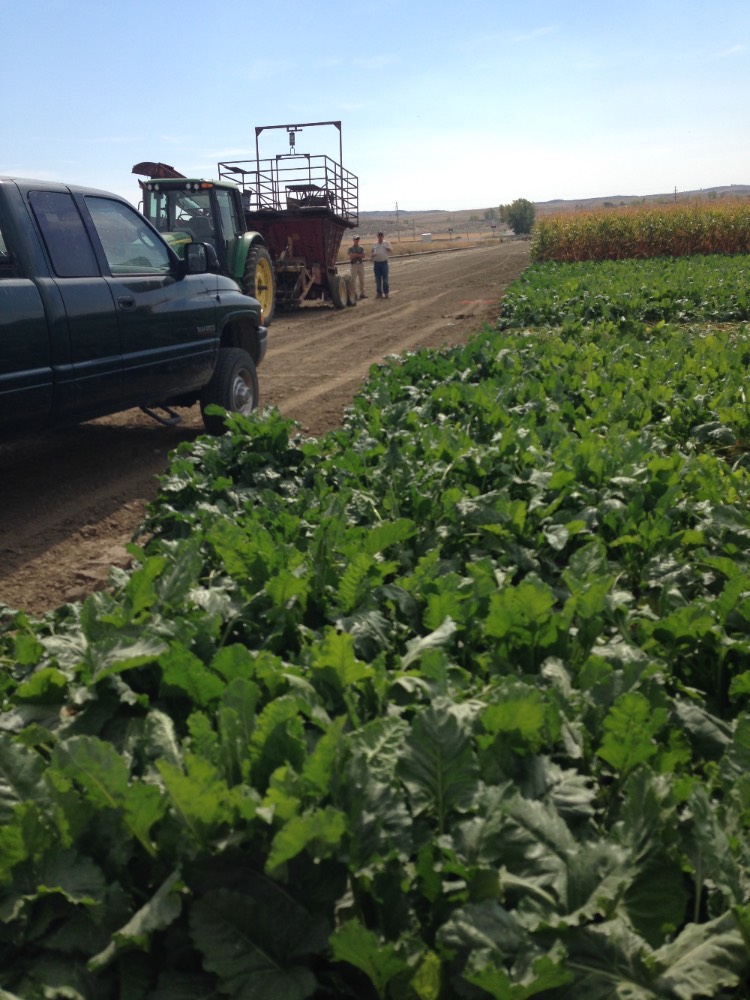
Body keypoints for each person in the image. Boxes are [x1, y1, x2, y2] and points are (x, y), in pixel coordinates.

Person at [371, 231, 393, 299]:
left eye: (381, 235)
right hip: (376, 263)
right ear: (377, 236)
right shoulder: (374, 244)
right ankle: (379, 293)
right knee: (377, 279)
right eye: (379, 235)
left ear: (383, 236)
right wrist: (372, 255)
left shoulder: (386, 243)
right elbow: (372, 253)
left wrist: (388, 249)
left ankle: (386, 293)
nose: (380, 237)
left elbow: (391, 250)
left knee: (385, 279)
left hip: (384, 263)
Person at [347, 234, 366, 298]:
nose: (357, 240)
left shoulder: (361, 247)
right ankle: (354, 294)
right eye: (356, 239)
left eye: (358, 239)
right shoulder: (350, 248)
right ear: (353, 240)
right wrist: (359, 255)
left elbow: (363, 256)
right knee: (353, 280)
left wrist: (355, 255)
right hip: (354, 265)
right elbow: (350, 257)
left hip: (360, 264)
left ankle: (362, 293)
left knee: (362, 279)